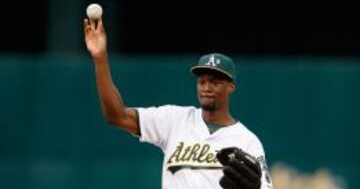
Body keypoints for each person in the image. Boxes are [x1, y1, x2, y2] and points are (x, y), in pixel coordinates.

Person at [84, 17, 273, 189]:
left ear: (231, 86)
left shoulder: (247, 141)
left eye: (215, 82)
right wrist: (100, 59)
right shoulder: (174, 120)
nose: (206, 87)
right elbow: (117, 116)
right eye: (202, 81)